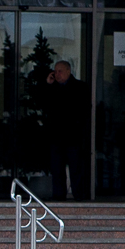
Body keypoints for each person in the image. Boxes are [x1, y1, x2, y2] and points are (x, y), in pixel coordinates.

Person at [44, 60, 92, 201]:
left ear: (68, 71)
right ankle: (59, 196)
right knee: (57, 169)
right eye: (55, 71)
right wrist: (49, 85)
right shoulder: (53, 88)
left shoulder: (80, 87)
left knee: (76, 168)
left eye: (60, 71)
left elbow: (83, 111)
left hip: (73, 136)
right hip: (57, 137)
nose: (57, 74)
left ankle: (79, 196)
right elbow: (45, 104)